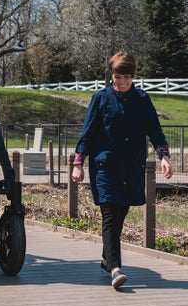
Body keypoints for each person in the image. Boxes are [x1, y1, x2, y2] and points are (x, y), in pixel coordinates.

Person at [71, 52, 172, 290]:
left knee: (120, 216)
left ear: (132, 76)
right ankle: (116, 269)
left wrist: (164, 156)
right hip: (105, 166)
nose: (122, 82)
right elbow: (88, 132)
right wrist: (78, 163)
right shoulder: (101, 99)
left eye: (126, 77)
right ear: (112, 76)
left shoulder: (142, 99)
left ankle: (107, 258)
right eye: (118, 77)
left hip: (131, 167)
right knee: (109, 216)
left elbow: (154, 130)